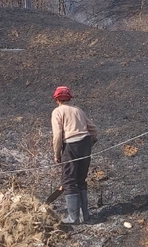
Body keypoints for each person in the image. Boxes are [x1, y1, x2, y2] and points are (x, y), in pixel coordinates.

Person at [51, 85, 97, 224]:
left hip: (70, 146)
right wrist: (90, 144)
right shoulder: (78, 110)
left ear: (57, 99)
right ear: (69, 98)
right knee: (80, 179)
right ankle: (85, 216)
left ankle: (73, 217)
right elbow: (93, 129)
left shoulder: (57, 112)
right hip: (85, 144)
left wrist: (57, 153)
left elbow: (58, 135)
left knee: (69, 180)